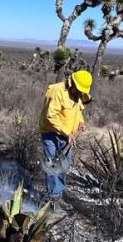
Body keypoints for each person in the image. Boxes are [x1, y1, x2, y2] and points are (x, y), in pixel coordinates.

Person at [38, 69, 92, 207]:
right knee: (52, 165)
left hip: (68, 137)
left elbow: (77, 110)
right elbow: (51, 116)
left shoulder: (77, 94)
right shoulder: (57, 91)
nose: (80, 93)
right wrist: (66, 132)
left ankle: (59, 194)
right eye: (79, 90)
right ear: (71, 83)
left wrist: (81, 121)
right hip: (51, 133)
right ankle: (53, 198)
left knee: (63, 166)